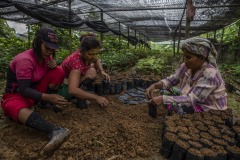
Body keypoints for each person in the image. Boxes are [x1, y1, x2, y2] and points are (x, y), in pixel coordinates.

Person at [0, 28, 69, 155]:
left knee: (58, 71)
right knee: (12, 107)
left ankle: (41, 104)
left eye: (52, 49)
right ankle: (54, 130)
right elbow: (24, 90)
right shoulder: (25, 60)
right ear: (37, 43)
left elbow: (45, 74)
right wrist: (48, 97)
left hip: (35, 91)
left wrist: (52, 66)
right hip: (17, 94)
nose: (50, 52)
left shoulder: (46, 57)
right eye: (47, 48)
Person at [145, 37, 227, 114]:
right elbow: (171, 80)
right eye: (184, 56)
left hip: (207, 107)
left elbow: (192, 99)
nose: (185, 60)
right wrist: (154, 86)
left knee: (172, 106)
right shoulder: (186, 66)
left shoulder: (209, 74)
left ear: (202, 57)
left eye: (188, 57)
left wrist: (163, 99)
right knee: (164, 91)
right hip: (190, 96)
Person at [61, 34, 110, 109]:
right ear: (82, 51)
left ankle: (79, 94)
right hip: (63, 86)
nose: (94, 56)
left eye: (96, 53)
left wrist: (102, 71)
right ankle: (74, 96)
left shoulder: (87, 55)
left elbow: (96, 60)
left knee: (92, 70)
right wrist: (96, 97)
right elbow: (72, 90)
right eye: (90, 54)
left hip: (71, 80)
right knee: (91, 73)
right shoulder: (76, 63)